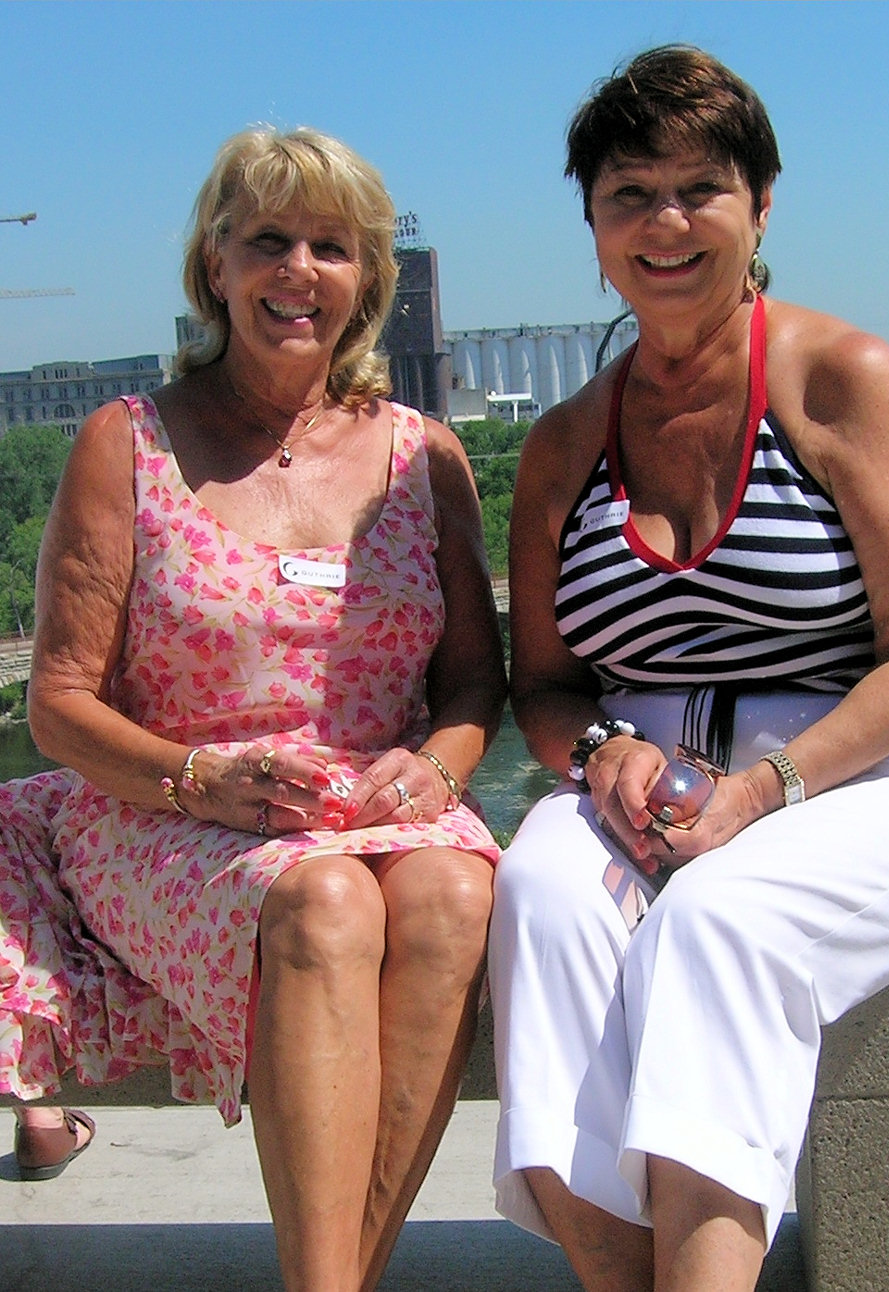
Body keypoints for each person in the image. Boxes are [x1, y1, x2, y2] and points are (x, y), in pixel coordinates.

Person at [488, 45, 889, 1292]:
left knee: (716, 921)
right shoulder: (563, 442)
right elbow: (541, 684)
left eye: (697, 188)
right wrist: (601, 752)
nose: (663, 222)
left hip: (860, 773)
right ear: (593, 225)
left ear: (760, 205)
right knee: (541, 897)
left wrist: (763, 791)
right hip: (641, 783)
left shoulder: (841, 380)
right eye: (629, 194)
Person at [1, 126, 506, 1291]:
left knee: (453, 894)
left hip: (382, 807)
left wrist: (438, 765)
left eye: (332, 246)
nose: (299, 270)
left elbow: (475, 682)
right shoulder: (126, 442)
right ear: (215, 264)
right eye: (270, 240)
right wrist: (198, 776)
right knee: (326, 901)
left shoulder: (425, 456)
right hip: (165, 810)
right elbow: (60, 702)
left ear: (366, 279)